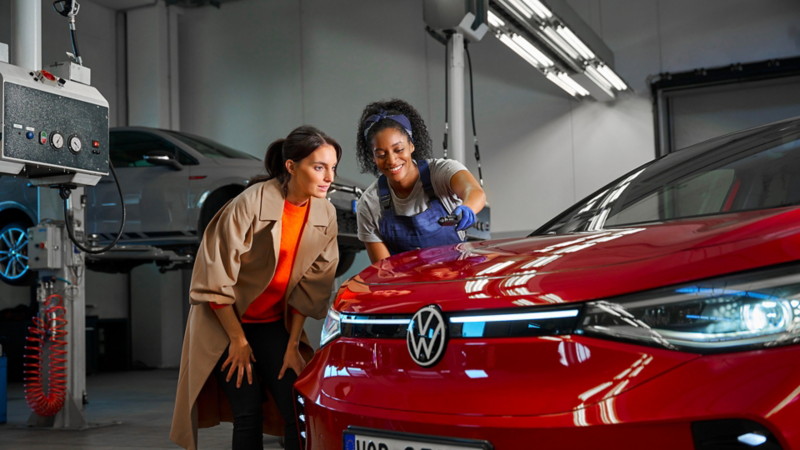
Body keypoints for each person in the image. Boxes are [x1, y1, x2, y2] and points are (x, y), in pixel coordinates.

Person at [170, 126, 341, 450]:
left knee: (297, 407)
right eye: (319, 167)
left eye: (333, 167)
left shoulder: (325, 213)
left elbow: (312, 285)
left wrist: (292, 344)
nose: (329, 176)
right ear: (291, 166)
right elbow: (214, 276)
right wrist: (237, 340)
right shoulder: (249, 204)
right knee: (248, 411)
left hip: (272, 325)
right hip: (225, 323)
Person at [355, 99, 486, 263]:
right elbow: (384, 270)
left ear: (411, 145)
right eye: (381, 154)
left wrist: (468, 208)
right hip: (407, 286)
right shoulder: (369, 204)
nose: (392, 160)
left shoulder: (441, 172)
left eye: (399, 149)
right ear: (373, 157)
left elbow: (474, 192)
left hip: (455, 277)